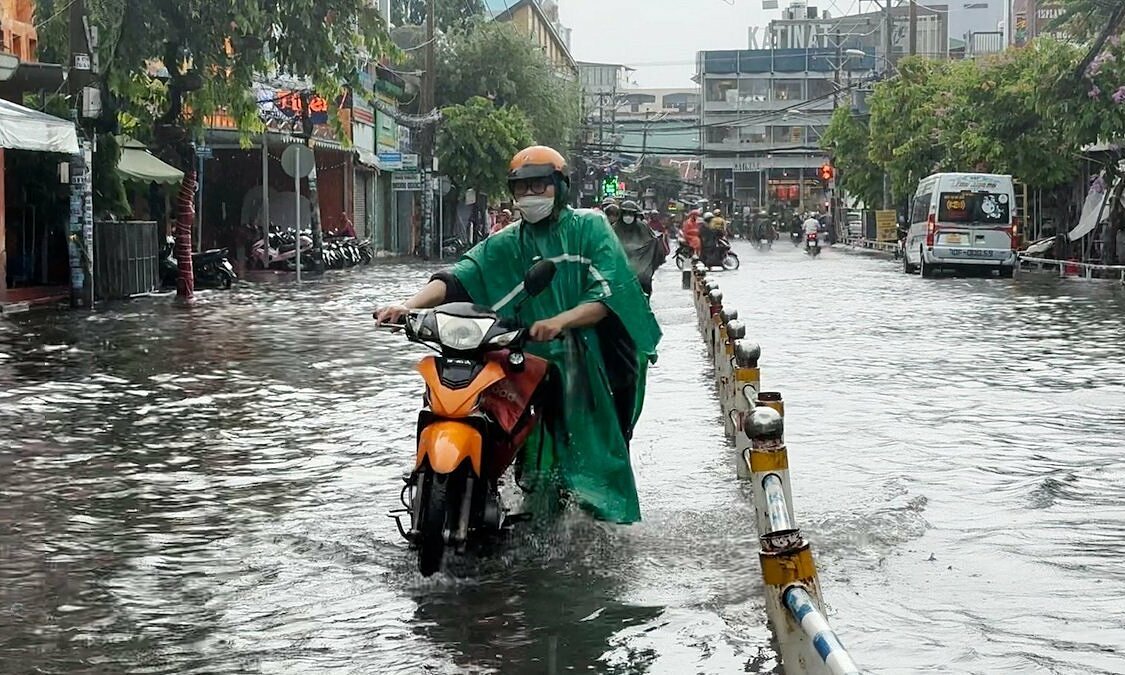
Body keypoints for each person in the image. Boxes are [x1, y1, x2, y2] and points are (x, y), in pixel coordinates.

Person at [374, 146, 662, 524]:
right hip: (525, 357)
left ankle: (604, 527)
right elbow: (461, 275)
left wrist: (562, 321)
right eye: (522, 187)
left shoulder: (589, 228)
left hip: (586, 361)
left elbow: (609, 295)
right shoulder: (508, 241)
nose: (530, 195)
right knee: (519, 440)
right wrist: (408, 306)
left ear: (559, 187)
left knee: (595, 454)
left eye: (539, 185)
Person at [611, 200, 667, 297]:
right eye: (625, 213)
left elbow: (654, 242)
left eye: (631, 213)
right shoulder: (614, 228)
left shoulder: (643, 227)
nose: (628, 216)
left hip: (642, 276)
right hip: (621, 276)